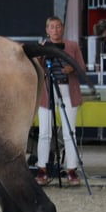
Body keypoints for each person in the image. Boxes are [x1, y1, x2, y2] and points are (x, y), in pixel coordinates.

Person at [35, 15, 87, 186]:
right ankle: (42, 168)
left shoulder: (72, 46)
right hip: (47, 91)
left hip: (67, 89)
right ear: (47, 30)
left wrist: (72, 68)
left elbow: (82, 68)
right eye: (52, 27)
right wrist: (41, 54)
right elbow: (37, 68)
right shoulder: (43, 46)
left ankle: (71, 169)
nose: (55, 30)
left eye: (58, 27)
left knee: (69, 132)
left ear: (62, 28)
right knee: (44, 132)